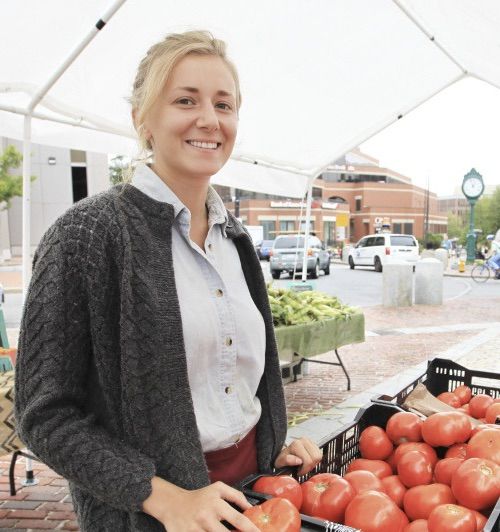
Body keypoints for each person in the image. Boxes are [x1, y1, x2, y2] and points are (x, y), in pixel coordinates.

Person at [15, 31, 322, 532]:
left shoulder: (236, 240)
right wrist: (162, 497)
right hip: (148, 518)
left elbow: (236, 388)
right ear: (143, 119)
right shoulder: (87, 234)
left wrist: (272, 449)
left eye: (224, 104)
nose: (209, 119)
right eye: (185, 100)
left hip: (252, 499)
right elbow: (45, 415)